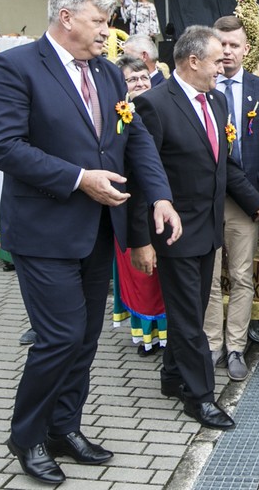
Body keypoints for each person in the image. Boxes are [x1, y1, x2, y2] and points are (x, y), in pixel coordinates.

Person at [0, 0, 181, 485]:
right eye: (98, 21)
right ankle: (25, 436)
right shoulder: (16, 66)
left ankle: (64, 427)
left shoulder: (111, 76)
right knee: (60, 336)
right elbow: (2, 146)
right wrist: (78, 178)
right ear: (66, 17)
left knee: (86, 337)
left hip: (98, 229)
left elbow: (134, 143)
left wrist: (159, 195)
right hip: (45, 229)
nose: (106, 32)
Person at [130, 25, 259, 431]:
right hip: (175, 230)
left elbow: (224, 165)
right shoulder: (154, 104)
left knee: (191, 309)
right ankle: (200, 397)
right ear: (193, 61)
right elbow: (144, 173)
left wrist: (257, 202)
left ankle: (171, 376)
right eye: (217, 59)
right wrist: (141, 239)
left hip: (209, 228)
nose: (223, 65)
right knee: (187, 317)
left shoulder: (215, 101)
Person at [205, 16, 259, 381]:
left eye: (234, 45)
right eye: (220, 44)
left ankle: (236, 346)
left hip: (247, 201)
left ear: (246, 48)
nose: (226, 52)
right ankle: (210, 347)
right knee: (207, 276)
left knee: (241, 275)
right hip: (204, 199)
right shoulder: (201, 88)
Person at [110, 55, 167, 356]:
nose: (140, 83)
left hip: (160, 203)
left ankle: (166, 332)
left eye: (144, 78)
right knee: (141, 276)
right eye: (132, 80)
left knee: (159, 276)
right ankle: (146, 335)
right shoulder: (116, 117)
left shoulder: (160, 108)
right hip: (129, 203)